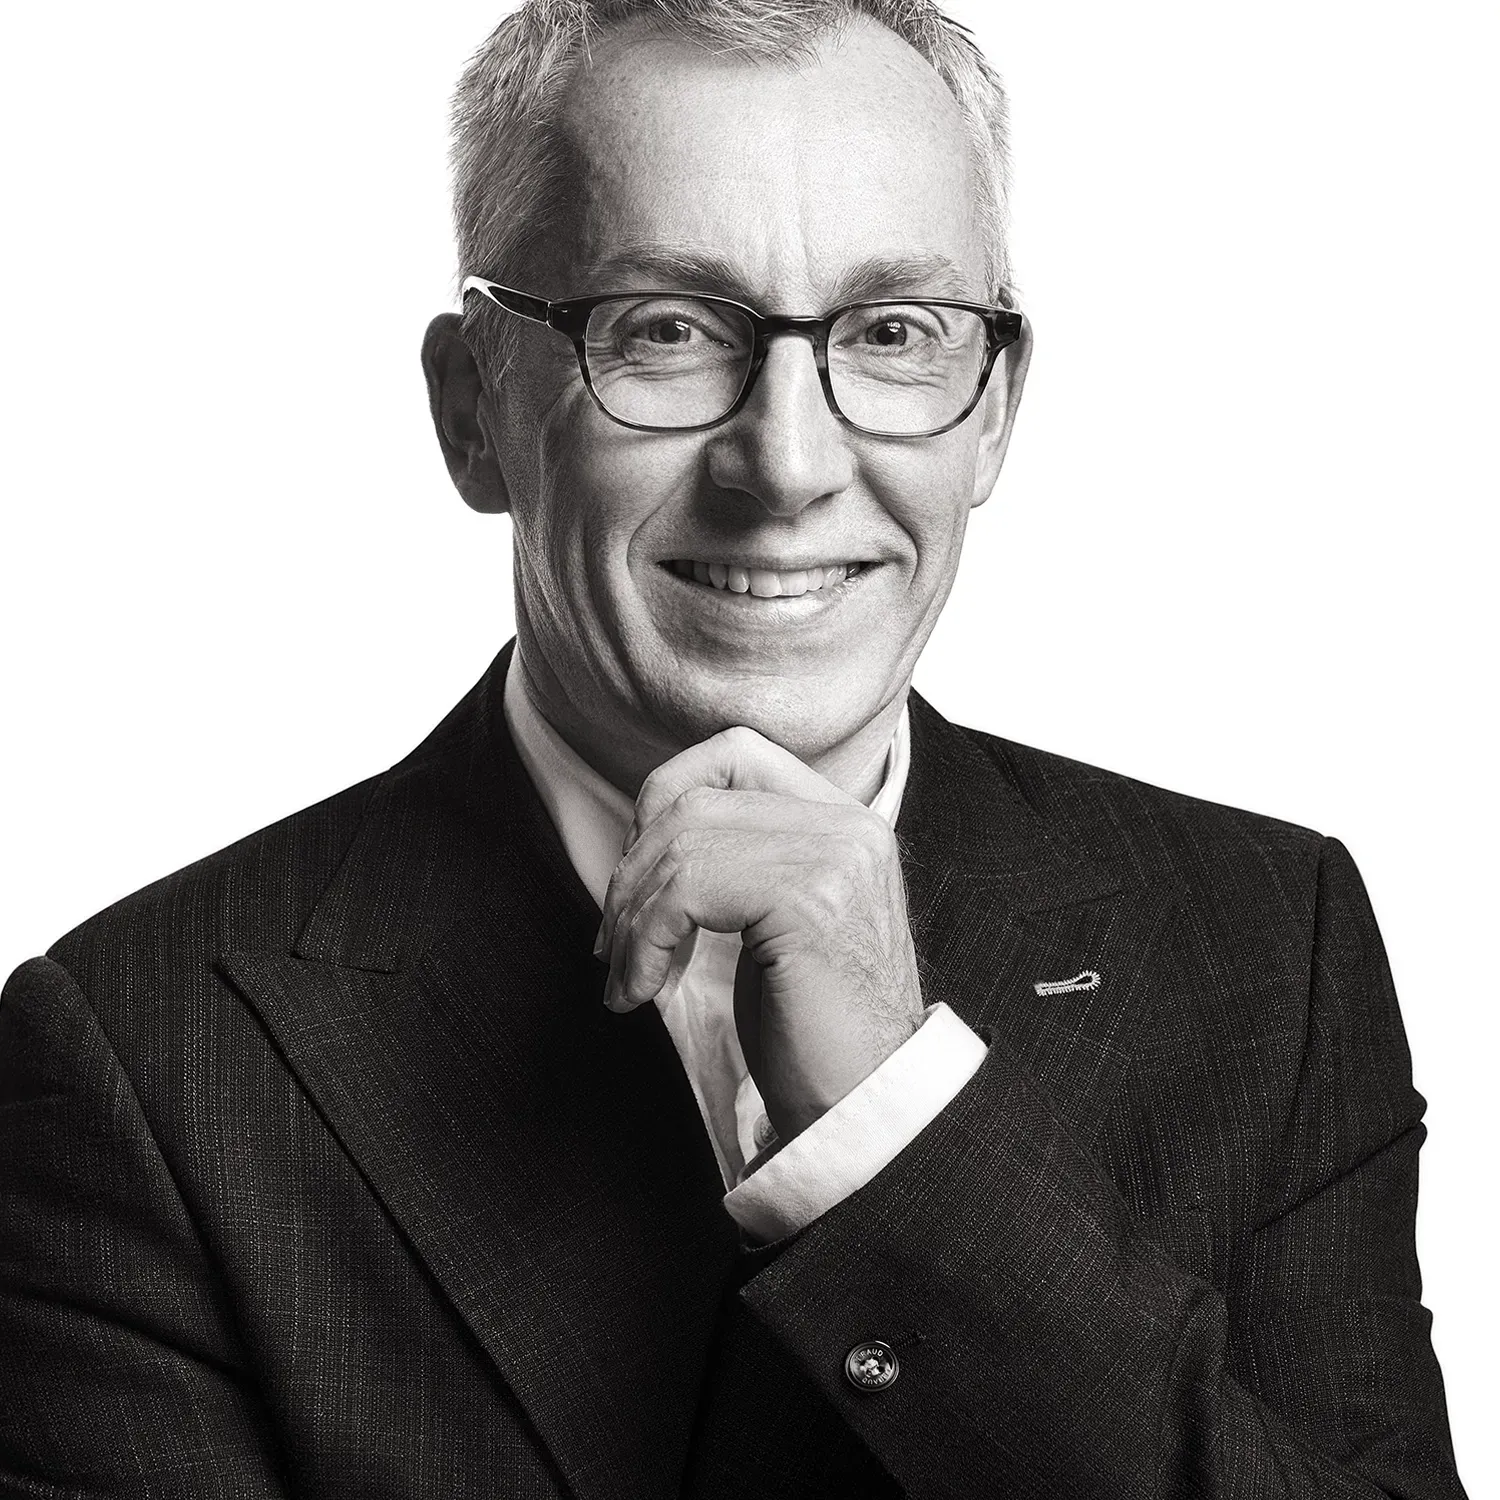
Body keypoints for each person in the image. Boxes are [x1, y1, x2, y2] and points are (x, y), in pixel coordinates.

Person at [0, 1, 1469, 1495]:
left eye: (893, 334)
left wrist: (901, 1133)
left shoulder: (1266, 950)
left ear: (996, 414)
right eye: (667, 331)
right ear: (472, 413)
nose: (788, 463)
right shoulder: (144, 1059)